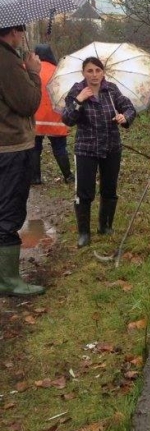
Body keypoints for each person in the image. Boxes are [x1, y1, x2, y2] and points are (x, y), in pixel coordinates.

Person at [62, 57, 136, 247]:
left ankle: (105, 226)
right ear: (83, 73)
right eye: (90, 71)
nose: (94, 75)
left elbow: (129, 108)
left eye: (97, 70)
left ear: (103, 72)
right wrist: (79, 101)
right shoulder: (77, 91)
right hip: (86, 149)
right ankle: (84, 233)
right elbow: (68, 119)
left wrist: (123, 116)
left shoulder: (111, 90)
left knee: (109, 189)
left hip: (111, 146)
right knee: (84, 191)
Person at [0, 24, 44, 296]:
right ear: (12, 32)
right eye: (22, 32)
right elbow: (27, 102)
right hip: (12, 147)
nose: (24, 37)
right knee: (10, 211)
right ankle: (8, 280)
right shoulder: (7, 61)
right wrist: (34, 74)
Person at [31, 43, 72, 185]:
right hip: (56, 116)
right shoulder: (58, 71)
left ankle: (35, 178)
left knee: (35, 148)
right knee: (60, 148)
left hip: (35, 117)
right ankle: (68, 176)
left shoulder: (31, 70)